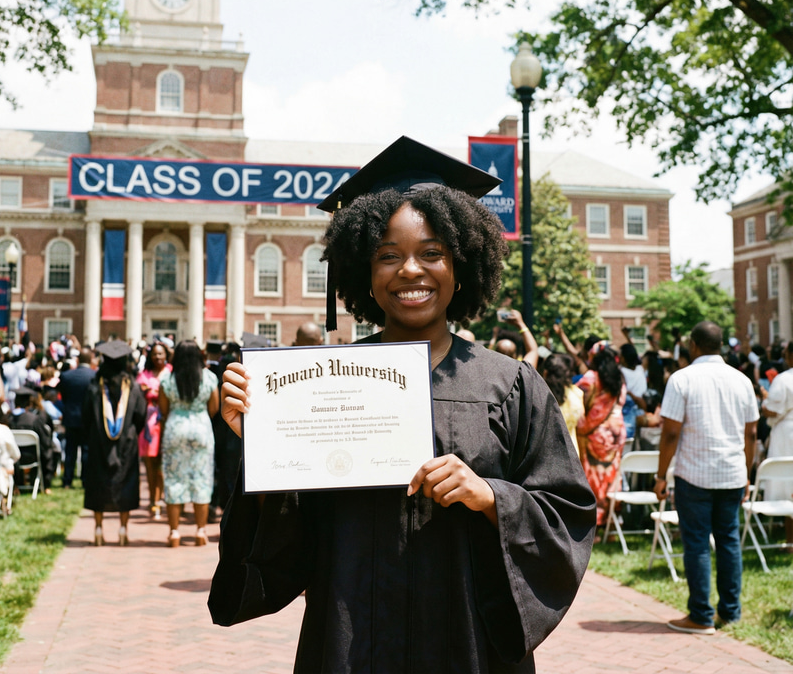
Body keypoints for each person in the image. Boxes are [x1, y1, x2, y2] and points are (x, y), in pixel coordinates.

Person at [209, 136, 596, 673]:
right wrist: (261, 444)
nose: (410, 270)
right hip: (350, 642)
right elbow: (289, 534)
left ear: (461, 265)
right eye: (387, 256)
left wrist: (492, 497)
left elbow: (567, 513)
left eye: (432, 253)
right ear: (362, 273)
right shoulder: (317, 384)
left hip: (470, 646)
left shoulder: (510, 385)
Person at [654, 321, 758, 634]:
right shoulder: (741, 380)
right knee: (728, 542)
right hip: (732, 473)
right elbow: (751, 433)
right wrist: (747, 473)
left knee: (697, 544)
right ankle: (730, 612)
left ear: (694, 345)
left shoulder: (681, 378)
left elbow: (671, 432)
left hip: (694, 473)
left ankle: (700, 615)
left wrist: (660, 476)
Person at [83, 340, 146, 546]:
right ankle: (122, 529)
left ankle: (98, 529)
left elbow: (86, 416)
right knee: (125, 482)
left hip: (98, 441)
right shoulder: (133, 387)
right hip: (126, 442)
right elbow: (140, 416)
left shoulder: (94, 386)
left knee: (98, 482)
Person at [158, 340, 219, 548]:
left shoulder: (167, 378)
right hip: (201, 426)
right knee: (201, 479)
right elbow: (214, 408)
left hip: (176, 426)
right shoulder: (209, 377)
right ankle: (201, 531)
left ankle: (174, 532)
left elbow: (163, 409)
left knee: (174, 480)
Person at [575, 342, 627, 527]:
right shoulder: (619, 378)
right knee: (612, 475)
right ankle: (612, 522)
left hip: (593, 434)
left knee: (592, 477)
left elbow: (577, 400)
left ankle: (594, 524)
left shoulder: (590, 378)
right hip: (616, 432)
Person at [760, 340, 793, 545]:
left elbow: (772, 410)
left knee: (787, 483)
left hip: (787, 433)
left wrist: (765, 402)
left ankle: (790, 540)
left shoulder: (783, 379)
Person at [136, 341, 171, 519]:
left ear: (166, 355)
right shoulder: (144, 374)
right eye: (155, 354)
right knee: (150, 465)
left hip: (167, 423)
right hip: (149, 425)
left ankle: (161, 496)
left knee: (163, 466)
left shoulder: (171, 372)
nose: (158, 357)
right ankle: (152, 500)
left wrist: (153, 391)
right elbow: (139, 391)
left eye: (161, 354)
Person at [58, 348, 97, 488]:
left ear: (78, 359)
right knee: (86, 450)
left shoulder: (67, 376)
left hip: (71, 417)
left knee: (70, 451)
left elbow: (64, 396)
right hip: (88, 419)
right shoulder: (95, 375)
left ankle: (67, 480)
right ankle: (85, 480)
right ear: (91, 359)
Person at [542, 354, 584, 457]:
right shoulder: (577, 394)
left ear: (545, 373)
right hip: (572, 456)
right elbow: (581, 426)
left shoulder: (540, 396)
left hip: (546, 458)